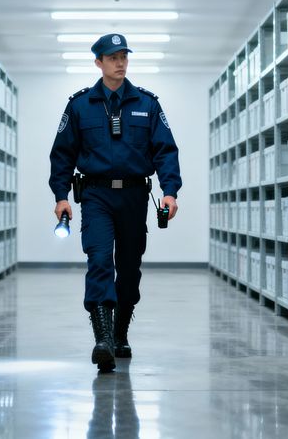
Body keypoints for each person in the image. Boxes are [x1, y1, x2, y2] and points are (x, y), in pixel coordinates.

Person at [49, 33, 182, 372]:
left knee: (129, 268)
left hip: (136, 195)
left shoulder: (147, 104)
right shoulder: (79, 105)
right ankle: (103, 340)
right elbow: (62, 154)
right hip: (96, 194)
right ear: (99, 63)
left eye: (124, 56)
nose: (120, 63)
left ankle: (120, 333)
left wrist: (170, 192)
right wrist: (61, 197)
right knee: (98, 260)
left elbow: (165, 151)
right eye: (112, 57)